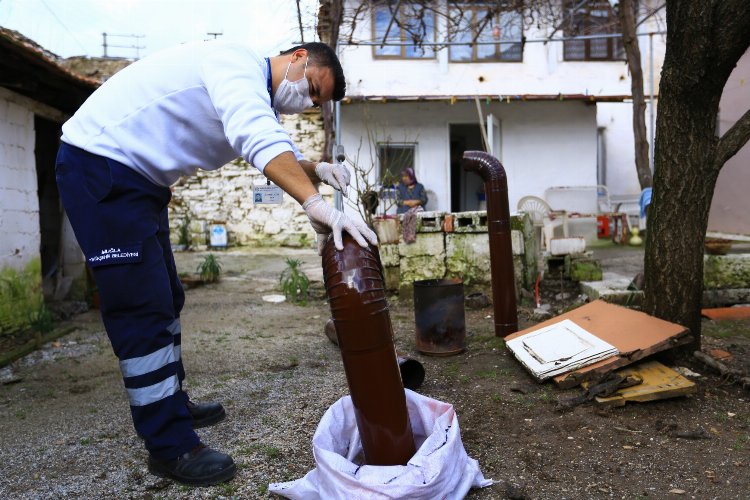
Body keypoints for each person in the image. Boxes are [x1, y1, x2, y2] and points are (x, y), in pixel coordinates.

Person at [55, 40, 376, 487]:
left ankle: (170, 401)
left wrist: (313, 167)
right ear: (300, 57)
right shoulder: (234, 64)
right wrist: (316, 203)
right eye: (314, 90)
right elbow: (255, 136)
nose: (307, 103)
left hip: (139, 181)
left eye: (316, 102)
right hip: (102, 168)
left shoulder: (247, 91)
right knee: (140, 309)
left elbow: (258, 138)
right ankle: (169, 445)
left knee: (167, 295)